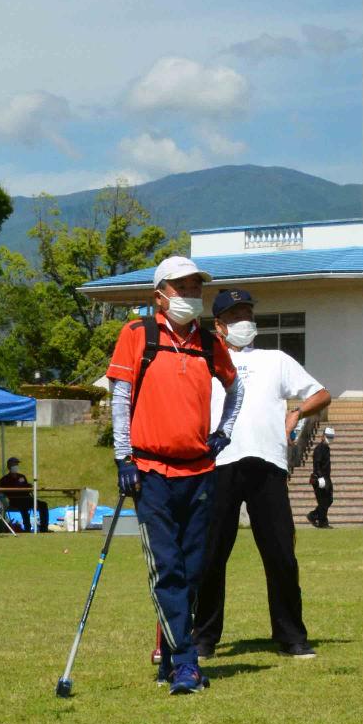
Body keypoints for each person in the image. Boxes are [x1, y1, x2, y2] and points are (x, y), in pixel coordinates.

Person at [107, 256, 242, 694]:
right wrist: (123, 458)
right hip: (150, 471)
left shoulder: (208, 342)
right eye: (181, 287)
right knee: (167, 567)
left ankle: (171, 651)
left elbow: (235, 389)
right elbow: (120, 398)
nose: (189, 295)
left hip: (200, 470)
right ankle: (186, 663)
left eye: (194, 288)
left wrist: (223, 431)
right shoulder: (137, 335)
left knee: (196, 568)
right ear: (159, 294)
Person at [194, 289, 328, 660]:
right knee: (210, 555)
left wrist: (296, 412)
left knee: (281, 553)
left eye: (248, 313)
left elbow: (321, 393)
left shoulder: (276, 360)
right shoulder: (205, 361)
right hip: (219, 463)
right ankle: (204, 637)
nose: (245, 322)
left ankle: (291, 636)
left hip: (268, 463)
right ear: (219, 325)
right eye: (235, 316)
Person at [0, 456, 49, 533]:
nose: (16, 466)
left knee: (43, 505)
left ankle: (44, 529)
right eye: (14, 464)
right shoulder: (4, 480)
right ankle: (27, 528)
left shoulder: (22, 477)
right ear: (9, 466)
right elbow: (4, 492)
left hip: (27, 499)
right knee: (23, 506)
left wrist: (29, 486)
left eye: (17, 464)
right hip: (15, 501)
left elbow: (27, 488)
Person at [308, 425, 335, 528]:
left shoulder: (326, 448)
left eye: (331, 437)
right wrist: (320, 478)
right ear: (323, 436)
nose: (330, 439)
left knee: (328, 500)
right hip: (319, 478)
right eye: (328, 436)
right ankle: (321, 521)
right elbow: (317, 464)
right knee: (324, 501)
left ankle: (315, 516)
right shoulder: (320, 448)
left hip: (326, 477)